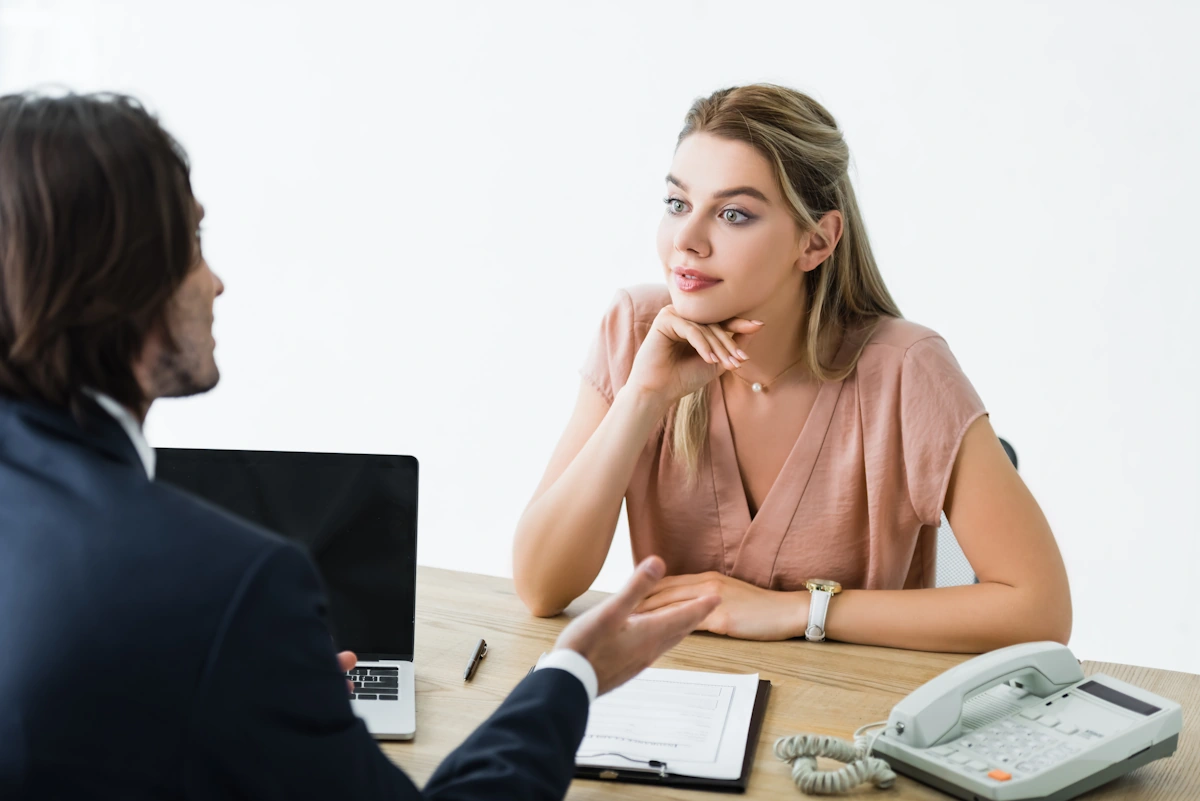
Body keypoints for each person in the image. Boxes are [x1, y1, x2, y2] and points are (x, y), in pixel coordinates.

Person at [0, 92, 719, 800]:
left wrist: (271, 703)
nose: (216, 282)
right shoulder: (234, 590)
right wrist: (573, 673)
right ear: (114, 284)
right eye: (192, 243)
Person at [513, 84, 1072, 654]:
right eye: (678, 204)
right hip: (681, 715)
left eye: (733, 214)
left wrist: (799, 610)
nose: (686, 240)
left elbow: (1039, 609)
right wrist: (643, 397)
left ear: (816, 241)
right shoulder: (635, 330)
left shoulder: (907, 370)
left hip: (844, 726)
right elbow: (541, 588)